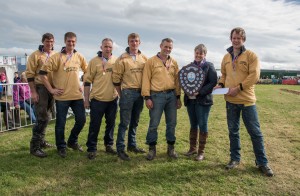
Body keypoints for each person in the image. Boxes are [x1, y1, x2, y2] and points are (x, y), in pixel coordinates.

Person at [215, 27, 274, 176]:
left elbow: (254, 75)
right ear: (231, 39)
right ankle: (235, 159)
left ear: (243, 40)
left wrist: (239, 88)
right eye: (234, 38)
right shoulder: (226, 57)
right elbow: (223, 74)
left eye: (239, 38)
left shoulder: (251, 55)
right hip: (230, 100)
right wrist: (220, 84)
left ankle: (262, 162)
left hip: (247, 100)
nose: (236, 40)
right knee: (233, 131)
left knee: (255, 132)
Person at [39, 32, 88, 158]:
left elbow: (88, 72)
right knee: (60, 123)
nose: (71, 43)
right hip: (62, 97)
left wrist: (83, 85)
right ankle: (61, 147)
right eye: (68, 41)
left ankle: (72, 141)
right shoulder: (56, 57)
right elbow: (42, 73)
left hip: (77, 96)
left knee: (82, 120)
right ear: (65, 42)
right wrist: (51, 90)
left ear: (75, 42)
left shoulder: (79, 56)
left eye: (73, 41)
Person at [141, 38, 182, 161]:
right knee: (154, 124)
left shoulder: (174, 62)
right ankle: (152, 149)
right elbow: (146, 80)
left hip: (171, 96)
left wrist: (178, 97)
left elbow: (177, 81)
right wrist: (147, 97)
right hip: (156, 96)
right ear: (160, 46)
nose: (168, 49)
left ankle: (171, 148)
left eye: (170, 47)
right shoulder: (151, 61)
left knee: (172, 123)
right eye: (166, 46)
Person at [112, 33, 148, 161]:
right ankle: (120, 149)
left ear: (140, 42)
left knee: (135, 121)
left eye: (136, 41)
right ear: (128, 42)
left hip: (140, 94)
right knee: (124, 123)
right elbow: (115, 79)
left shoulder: (144, 58)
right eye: (132, 41)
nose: (134, 43)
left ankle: (132, 145)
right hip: (127, 92)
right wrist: (121, 94)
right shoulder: (122, 59)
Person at [84, 38, 118, 160]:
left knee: (111, 124)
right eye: (105, 46)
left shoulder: (116, 61)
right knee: (95, 125)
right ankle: (92, 148)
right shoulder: (94, 61)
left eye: (110, 47)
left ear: (112, 48)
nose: (108, 49)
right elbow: (87, 82)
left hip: (112, 99)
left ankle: (109, 145)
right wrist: (86, 99)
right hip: (97, 99)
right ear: (101, 47)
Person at [182, 44, 217, 161]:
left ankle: (201, 152)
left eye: (201, 53)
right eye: (197, 53)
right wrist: (187, 89)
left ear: (204, 54)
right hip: (190, 101)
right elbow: (184, 81)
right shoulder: (189, 67)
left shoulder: (209, 66)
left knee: (202, 124)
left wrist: (200, 92)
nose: (198, 55)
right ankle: (192, 148)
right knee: (193, 124)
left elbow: (212, 82)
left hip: (203, 101)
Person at [26, 33, 56, 158]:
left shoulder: (56, 55)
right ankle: (34, 147)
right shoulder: (35, 55)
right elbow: (29, 75)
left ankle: (41, 141)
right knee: (41, 117)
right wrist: (33, 92)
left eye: (51, 41)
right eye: (47, 41)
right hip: (40, 88)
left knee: (47, 116)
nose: (49, 44)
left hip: (52, 88)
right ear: (43, 42)